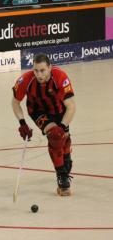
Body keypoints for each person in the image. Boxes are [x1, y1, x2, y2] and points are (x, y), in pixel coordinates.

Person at [11, 53, 76, 196]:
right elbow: (15, 102)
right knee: (55, 136)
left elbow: (71, 106)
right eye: (35, 70)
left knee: (63, 140)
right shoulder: (25, 80)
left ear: (50, 68)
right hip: (38, 111)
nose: (39, 74)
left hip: (60, 111)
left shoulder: (60, 77)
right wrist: (22, 123)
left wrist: (63, 127)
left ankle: (66, 159)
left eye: (42, 70)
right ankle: (62, 177)